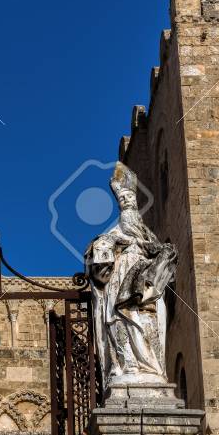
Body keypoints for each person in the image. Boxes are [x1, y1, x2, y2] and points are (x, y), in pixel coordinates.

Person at [85, 168, 178, 396]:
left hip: (141, 279)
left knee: (144, 318)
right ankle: (128, 364)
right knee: (118, 317)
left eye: (129, 198)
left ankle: (149, 366)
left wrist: (160, 253)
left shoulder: (146, 234)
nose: (126, 201)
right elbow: (100, 250)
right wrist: (108, 245)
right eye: (123, 199)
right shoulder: (115, 233)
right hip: (120, 277)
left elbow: (156, 250)